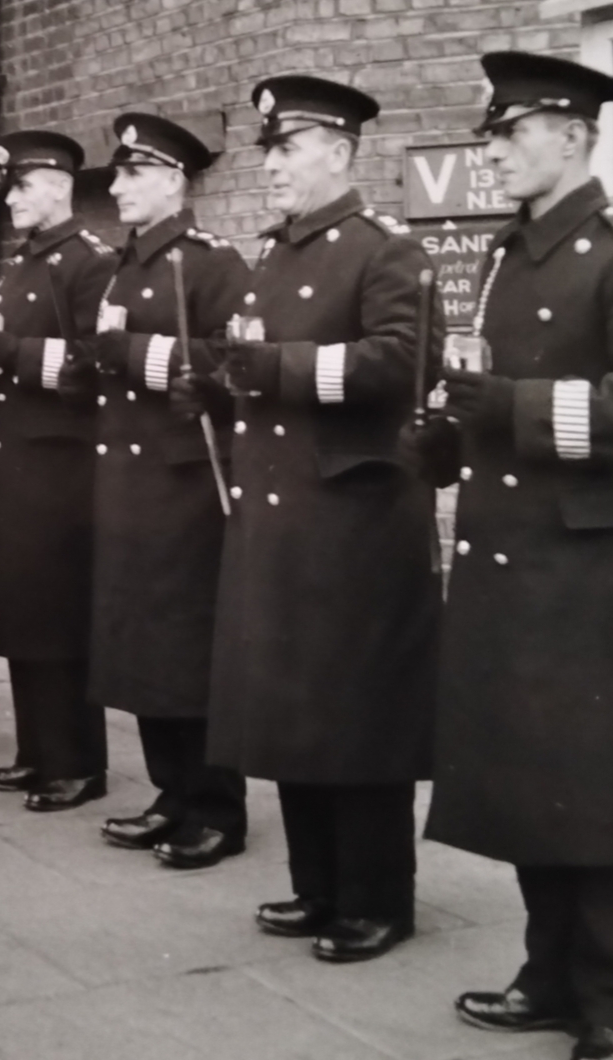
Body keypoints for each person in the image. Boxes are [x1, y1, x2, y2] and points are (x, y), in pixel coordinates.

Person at [421, 52, 613, 1060]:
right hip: (511, 549)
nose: (490, 149)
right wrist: (444, 434)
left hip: (593, 565)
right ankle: (549, 975)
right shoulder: (508, 254)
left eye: (509, 133)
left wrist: (514, 410)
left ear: (572, 135)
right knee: (528, 774)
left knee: (593, 787)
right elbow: (483, 387)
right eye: (488, 134)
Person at [205, 75, 445, 961]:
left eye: (285, 148)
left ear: (340, 153)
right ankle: (318, 886)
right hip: (282, 511)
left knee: (356, 712)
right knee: (295, 706)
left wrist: (276, 367)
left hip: (353, 517)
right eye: (266, 148)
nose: (269, 164)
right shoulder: (274, 253)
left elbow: (401, 363)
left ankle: (378, 897)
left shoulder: (385, 251)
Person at [83, 113, 251, 869]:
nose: (117, 187)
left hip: (184, 481)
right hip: (128, 478)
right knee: (144, 640)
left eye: (132, 173)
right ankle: (170, 792)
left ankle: (216, 806)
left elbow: (231, 363)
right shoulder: (125, 265)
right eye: (117, 175)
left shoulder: (213, 263)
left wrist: (137, 354)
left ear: (174, 181)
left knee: (187, 644)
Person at [0, 131, 116, 812]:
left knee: (57, 617)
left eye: (21, 186)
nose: (11, 199)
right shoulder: (23, 264)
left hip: (58, 468)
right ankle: (36, 750)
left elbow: (91, 369)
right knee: (25, 611)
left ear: (58, 184)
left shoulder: (88, 264)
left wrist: (12, 352)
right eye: (8, 188)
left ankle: (76, 763)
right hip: (14, 461)